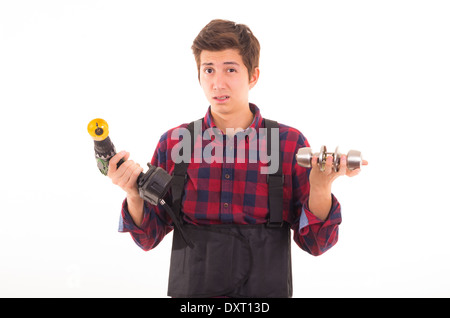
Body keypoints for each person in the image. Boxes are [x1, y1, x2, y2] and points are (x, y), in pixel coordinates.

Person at [108, 19, 367, 298]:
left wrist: (320, 187)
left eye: (230, 69)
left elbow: (317, 243)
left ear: (253, 76)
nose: (218, 82)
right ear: (198, 75)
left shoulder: (288, 144)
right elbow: (148, 237)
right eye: (209, 70)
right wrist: (133, 194)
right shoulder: (174, 144)